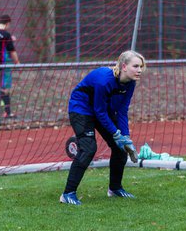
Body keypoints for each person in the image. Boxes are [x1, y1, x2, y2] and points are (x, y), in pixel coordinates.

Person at [59, 50, 146, 205]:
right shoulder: (104, 80)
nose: (140, 70)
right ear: (124, 66)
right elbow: (98, 111)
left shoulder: (130, 83)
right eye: (136, 66)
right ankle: (67, 194)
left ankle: (115, 189)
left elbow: (122, 110)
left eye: (141, 66)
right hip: (82, 109)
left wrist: (125, 137)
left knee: (120, 149)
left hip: (102, 110)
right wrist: (115, 133)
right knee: (89, 149)